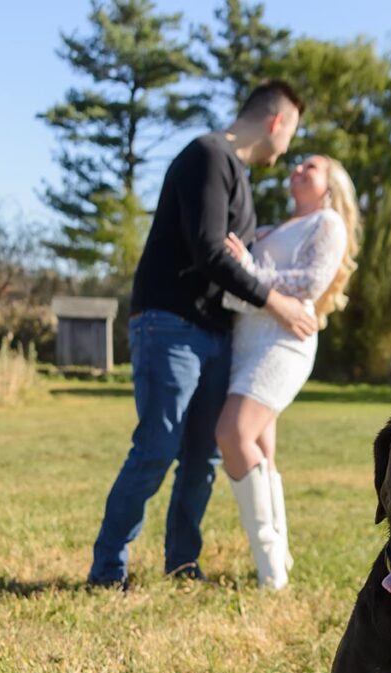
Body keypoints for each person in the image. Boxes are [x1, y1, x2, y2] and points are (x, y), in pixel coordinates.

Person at [88, 80, 316, 589]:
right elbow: (210, 251)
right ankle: (107, 572)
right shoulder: (207, 156)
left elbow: (242, 260)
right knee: (156, 447)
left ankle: (182, 565)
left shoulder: (237, 175)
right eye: (291, 131)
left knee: (201, 458)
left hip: (215, 334)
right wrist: (277, 304)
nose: (287, 147)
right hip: (170, 324)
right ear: (276, 122)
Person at [216, 154, 360, 589]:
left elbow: (310, 283)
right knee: (261, 446)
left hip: (283, 341)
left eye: (311, 167)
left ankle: (270, 569)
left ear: (329, 185)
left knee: (232, 434)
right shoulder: (272, 228)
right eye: (297, 163)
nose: (298, 169)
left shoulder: (328, 223)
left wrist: (249, 268)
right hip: (248, 340)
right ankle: (279, 554)